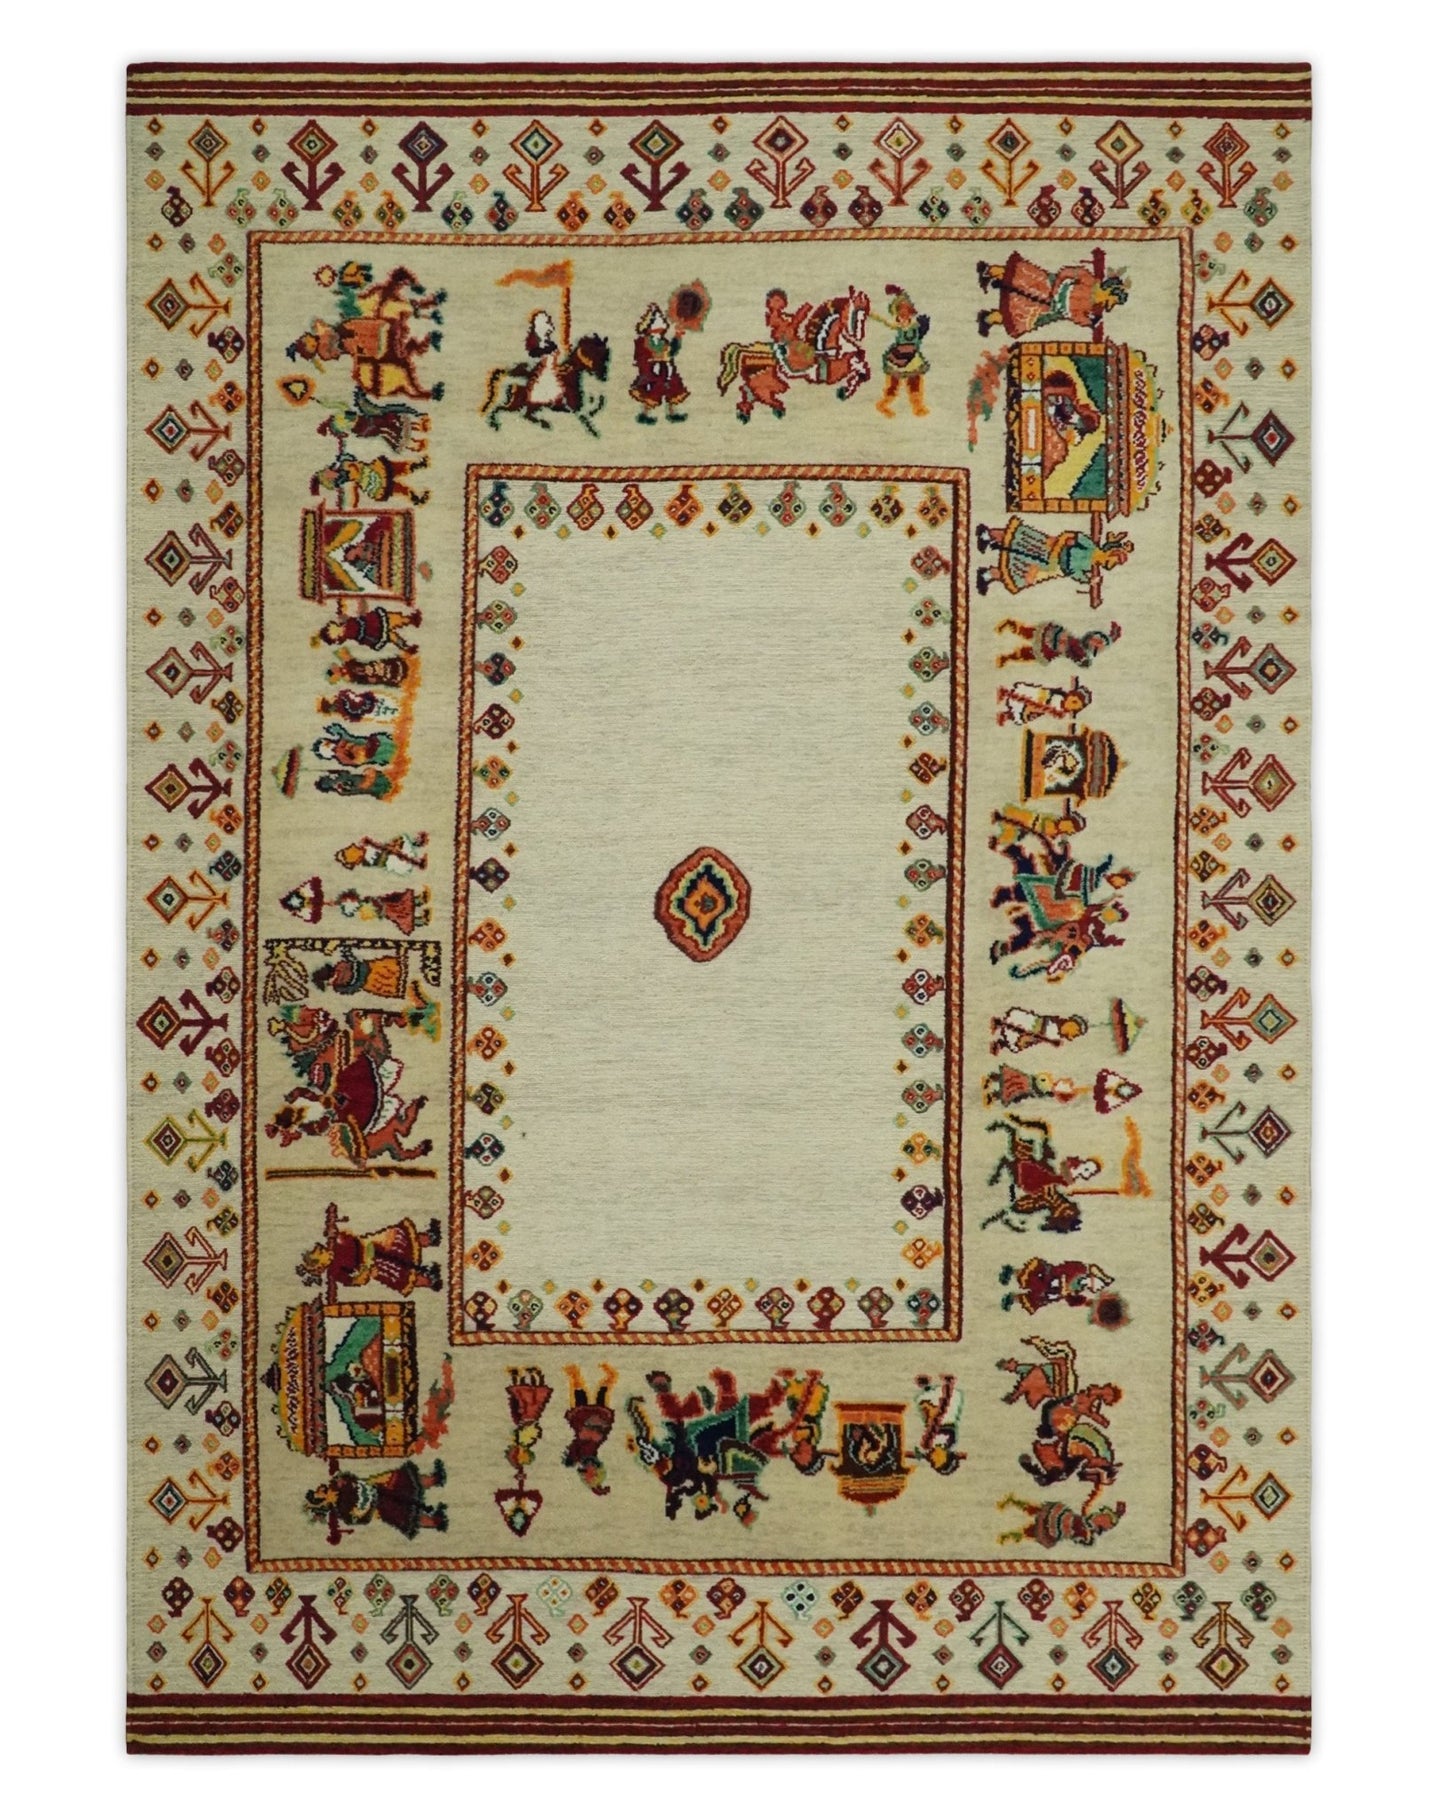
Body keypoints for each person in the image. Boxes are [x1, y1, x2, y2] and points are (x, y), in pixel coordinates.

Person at [874, 284, 931, 417]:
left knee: (915, 381)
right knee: (893, 384)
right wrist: (871, 314)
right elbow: (884, 321)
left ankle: (918, 406)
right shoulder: (898, 325)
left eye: (906, 309)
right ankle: (883, 404)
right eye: (901, 310)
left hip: (913, 357)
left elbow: (920, 330)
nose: (904, 313)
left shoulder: (915, 324)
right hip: (898, 357)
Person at [629, 303, 689, 424]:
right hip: (652, 373)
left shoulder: (662, 341)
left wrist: (677, 338)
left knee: (673, 389)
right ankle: (645, 414)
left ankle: (673, 413)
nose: (660, 331)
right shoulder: (643, 341)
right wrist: (658, 358)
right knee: (651, 392)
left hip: (666, 371)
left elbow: (671, 351)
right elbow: (642, 357)